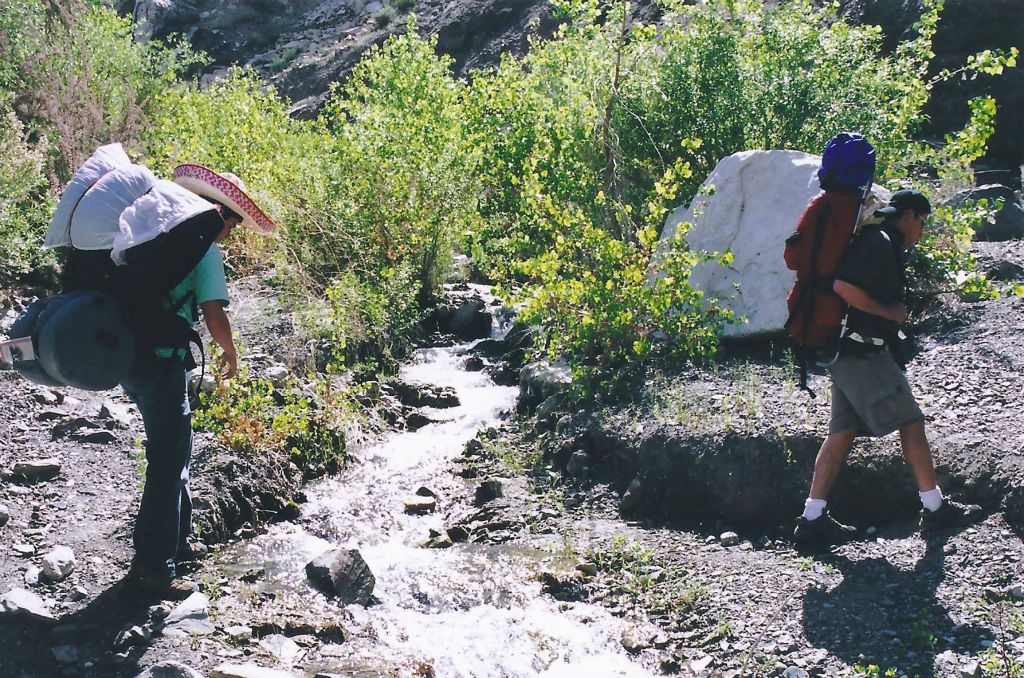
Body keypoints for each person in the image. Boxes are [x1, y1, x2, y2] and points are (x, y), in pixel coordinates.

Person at [121, 165, 276, 598]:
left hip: (128, 356)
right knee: (169, 461)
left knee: (175, 450)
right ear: (222, 215)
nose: (231, 231)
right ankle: (155, 567)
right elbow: (214, 312)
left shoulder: (152, 233)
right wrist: (230, 352)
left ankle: (179, 541)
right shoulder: (202, 248)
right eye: (234, 222)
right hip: (162, 361)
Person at [793, 189, 981, 545]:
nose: (921, 232)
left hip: (844, 354)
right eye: (922, 223)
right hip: (861, 354)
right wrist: (890, 313)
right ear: (908, 215)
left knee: (842, 433)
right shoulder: (878, 241)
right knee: (911, 421)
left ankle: (812, 520)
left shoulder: (877, 240)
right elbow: (844, 287)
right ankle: (936, 509)